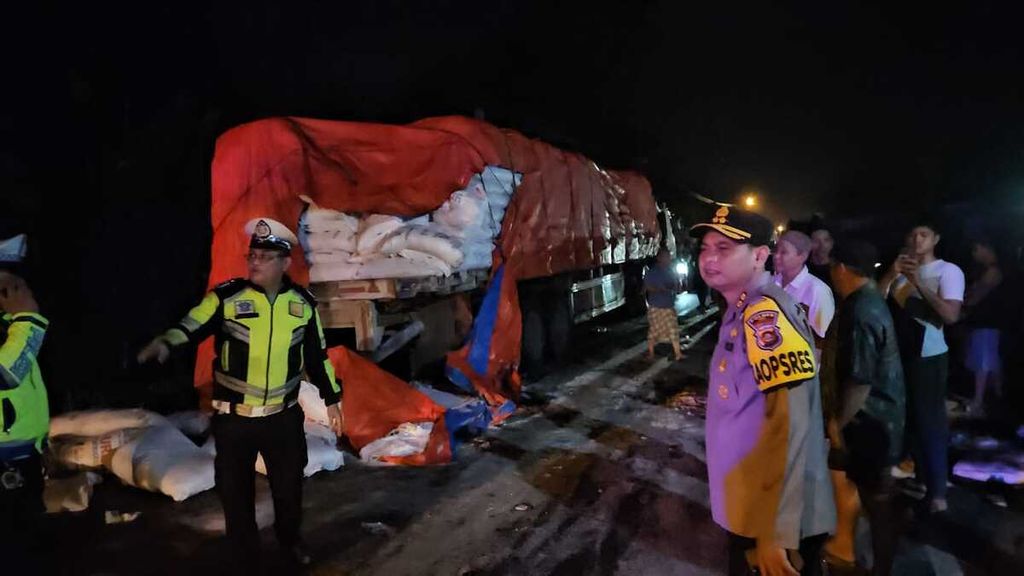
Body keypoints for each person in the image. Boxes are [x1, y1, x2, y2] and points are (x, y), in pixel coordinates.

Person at [138, 218, 344, 571]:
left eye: (264, 256)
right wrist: (167, 341)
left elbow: (317, 356)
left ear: (284, 263)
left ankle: (290, 541)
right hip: (234, 420)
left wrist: (332, 398)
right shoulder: (227, 297)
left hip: (283, 418)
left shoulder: (302, 305)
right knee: (235, 493)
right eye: (252, 255)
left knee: (288, 489)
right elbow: (191, 324)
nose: (254, 263)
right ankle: (244, 554)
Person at [693, 205, 835, 576]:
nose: (708, 258)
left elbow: (792, 425)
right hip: (752, 506)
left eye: (723, 249)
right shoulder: (740, 307)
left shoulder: (764, 313)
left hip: (770, 519)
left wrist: (777, 530)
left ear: (759, 256)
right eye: (705, 247)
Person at [830, 239, 905, 576]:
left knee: (878, 502)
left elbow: (860, 382)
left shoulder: (861, 310)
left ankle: (880, 568)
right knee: (874, 498)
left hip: (872, 422)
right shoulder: (870, 298)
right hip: (882, 419)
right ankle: (872, 562)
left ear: (842, 269)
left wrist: (836, 423)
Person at [879, 219, 964, 513]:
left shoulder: (948, 271)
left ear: (935, 238)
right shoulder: (901, 271)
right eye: (913, 234)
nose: (917, 240)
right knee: (908, 420)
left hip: (929, 356)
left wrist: (918, 285)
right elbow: (875, 302)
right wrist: (892, 273)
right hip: (899, 354)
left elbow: (950, 315)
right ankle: (920, 477)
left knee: (931, 422)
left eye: (924, 234)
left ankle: (938, 491)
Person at [0, 235, 51, 572]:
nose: (23, 292)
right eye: (12, 284)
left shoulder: (10, 327)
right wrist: (28, 320)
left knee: (30, 544)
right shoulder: (19, 326)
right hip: (5, 461)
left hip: (24, 454)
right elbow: (6, 375)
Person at [773, 230, 835, 348]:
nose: (776, 256)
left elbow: (820, 339)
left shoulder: (817, 291)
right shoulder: (771, 283)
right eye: (776, 251)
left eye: (784, 252)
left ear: (802, 256)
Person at [963, 238, 1004, 415]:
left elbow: (976, 296)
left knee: (984, 363)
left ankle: (979, 402)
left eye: (976, 248)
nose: (974, 254)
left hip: (988, 323)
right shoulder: (986, 271)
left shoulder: (993, 271)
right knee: (989, 365)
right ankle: (994, 400)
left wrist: (962, 305)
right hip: (984, 323)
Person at [645, 248, 684, 361]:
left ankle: (678, 354)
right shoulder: (652, 272)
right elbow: (647, 287)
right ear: (659, 258)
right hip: (656, 307)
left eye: (668, 256)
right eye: (666, 257)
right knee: (654, 332)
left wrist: (676, 287)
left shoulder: (670, 271)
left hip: (668, 306)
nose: (668, 259)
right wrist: (658, 289)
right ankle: (651, 353)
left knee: (673, 331)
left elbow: (676, 286)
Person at [808, 224, 835, 291]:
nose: (822, 245)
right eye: (816, 241)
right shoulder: (802, 270)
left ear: (831, 243)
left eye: (826, 240)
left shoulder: (840, 270)